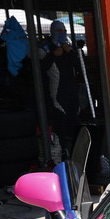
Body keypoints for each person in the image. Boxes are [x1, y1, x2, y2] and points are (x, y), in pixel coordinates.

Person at [41, 20, 83, 160]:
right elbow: (39, 70)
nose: (62, 34)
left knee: (74, 122)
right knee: (61, 125)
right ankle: (61, 156)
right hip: (58, 96)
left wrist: (70, 52)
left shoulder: (69, 49)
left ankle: (74, 154)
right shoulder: (46, 49)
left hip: (73, 95)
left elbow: (81, 68)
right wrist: (53, 55)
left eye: (64, 31)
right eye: (59, 31)